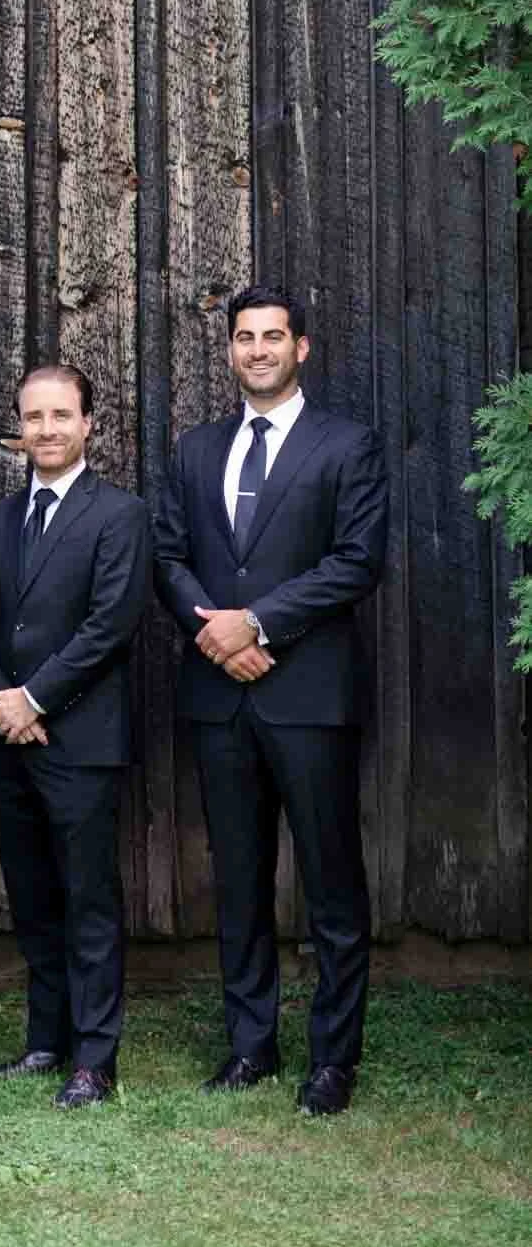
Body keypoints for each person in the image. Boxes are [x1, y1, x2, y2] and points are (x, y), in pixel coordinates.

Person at [154, 283, 389, 1116]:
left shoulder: (347, 445)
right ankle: (250, 1044)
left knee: (331, 885)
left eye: (272, 336)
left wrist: (254, 623)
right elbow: (167, 556)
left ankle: (331, 1060)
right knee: (240, 880)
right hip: (219, 700)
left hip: (308, 698)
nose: (257, 349)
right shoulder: (194, 449)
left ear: (301, 348)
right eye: (244, 337)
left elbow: (355, 561)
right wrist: (215, 633)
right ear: (229, 349)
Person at [0, 365, 150, 1108]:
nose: (45, 429)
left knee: (87, 899)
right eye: (33, 417)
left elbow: (109, 625)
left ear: (87, 424)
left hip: (77, 737)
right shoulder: (0, 519)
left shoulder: (119, 515)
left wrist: (35, 699)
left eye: (60, 416)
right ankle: (46, 1040)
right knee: (33, 896)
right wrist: (1, 700)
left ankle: (94, 1060)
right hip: (6, 735)